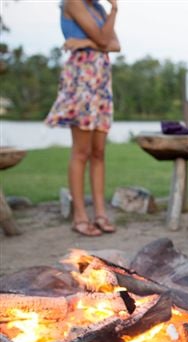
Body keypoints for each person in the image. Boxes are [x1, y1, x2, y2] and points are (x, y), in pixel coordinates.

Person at [45, 0, 120, 237]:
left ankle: (100, 213)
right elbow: (102, 41)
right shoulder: (73, 2)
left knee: (99, 151)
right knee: (81, 151)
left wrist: (114, 9)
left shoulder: (99, 8)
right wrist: (96, 42)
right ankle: (79, 216)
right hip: (81, 78)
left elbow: (114, 44)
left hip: (101, 80)